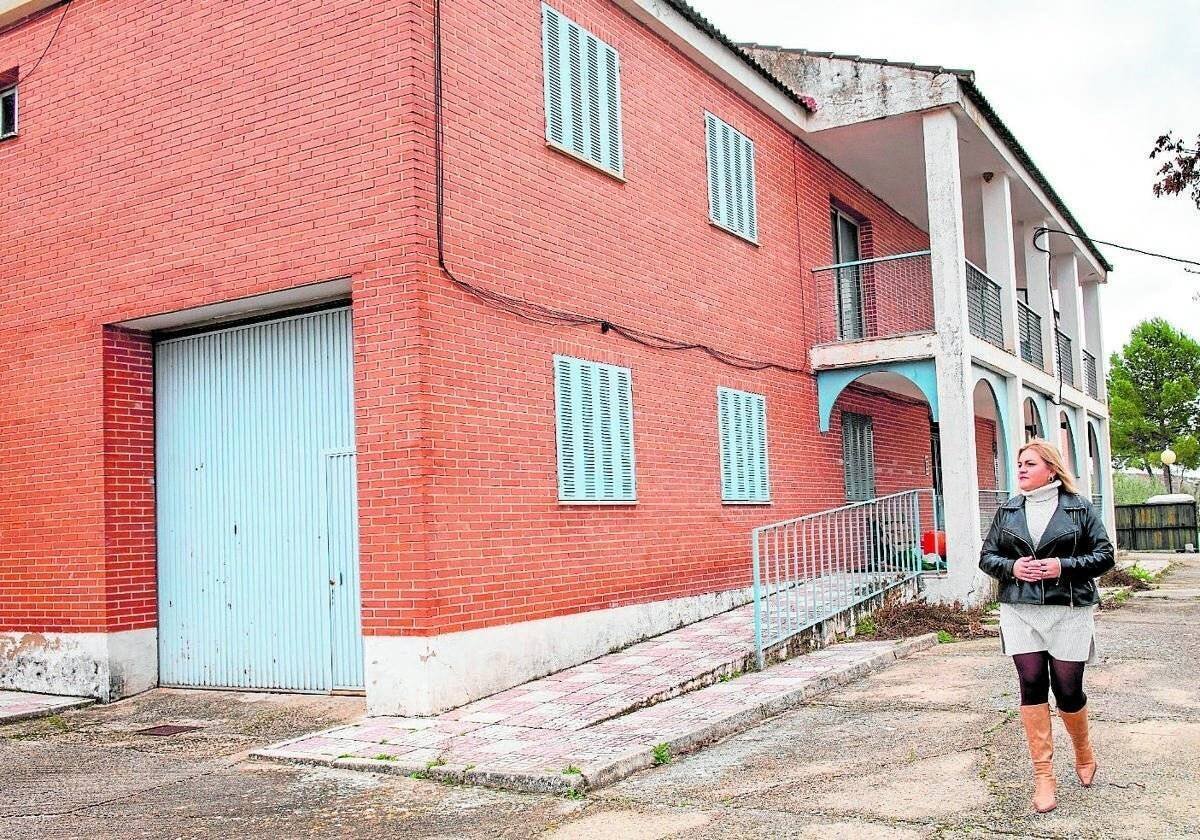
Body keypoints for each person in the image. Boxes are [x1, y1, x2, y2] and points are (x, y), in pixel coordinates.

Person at [979, 438, 1115, 814]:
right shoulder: (1007, 511)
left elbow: (1105, 555)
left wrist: (1062, 567)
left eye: (1030, 463)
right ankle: (1043, 776)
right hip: (1020, 610)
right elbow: (987, 556)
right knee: (1032, 684)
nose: (1021, 468)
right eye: (1019, 463)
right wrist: (1011, 568)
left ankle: (1084, 750)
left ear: (1051, 470)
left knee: (1068, 690)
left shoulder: (1079, 509)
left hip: (1069, 609)